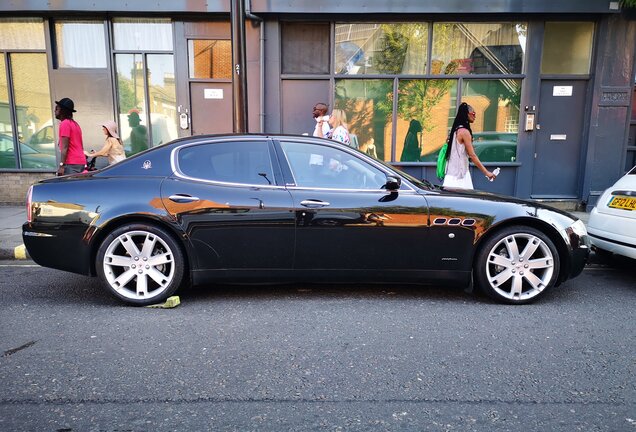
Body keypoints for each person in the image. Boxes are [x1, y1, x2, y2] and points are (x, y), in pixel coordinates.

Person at [443, 102, 496, 188]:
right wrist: (487, 173)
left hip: (450, 174)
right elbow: (472, 155)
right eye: (473, 113)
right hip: (460, 177)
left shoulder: (454, 131)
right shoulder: (464, 132)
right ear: (467, 114)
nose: (475, 116)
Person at [55, 97, 86, 176]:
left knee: (69, 187)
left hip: (71, 163)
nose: (55, 111)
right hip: (81, 162)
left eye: (57, 108)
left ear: (62, 110)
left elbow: (65, 147)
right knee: (77, 187)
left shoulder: (65, 124)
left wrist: (61, 165)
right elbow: (80, 146)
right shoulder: (75, 124)